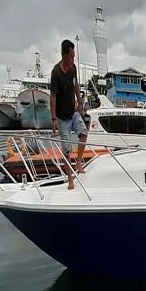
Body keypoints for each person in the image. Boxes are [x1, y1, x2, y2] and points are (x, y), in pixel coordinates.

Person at [50, 39, 88, 189]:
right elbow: (52, 97)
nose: (73, 59)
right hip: (61, 117)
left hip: (73, 112)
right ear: (64, 54)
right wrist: (53, 118)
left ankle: (78, 162)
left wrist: (79, 102)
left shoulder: (73, 68)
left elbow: (75, 86)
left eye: (74, 56)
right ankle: (70, 179)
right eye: (71, 56)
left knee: (83, 133)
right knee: (66, 150)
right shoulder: (56, 73)